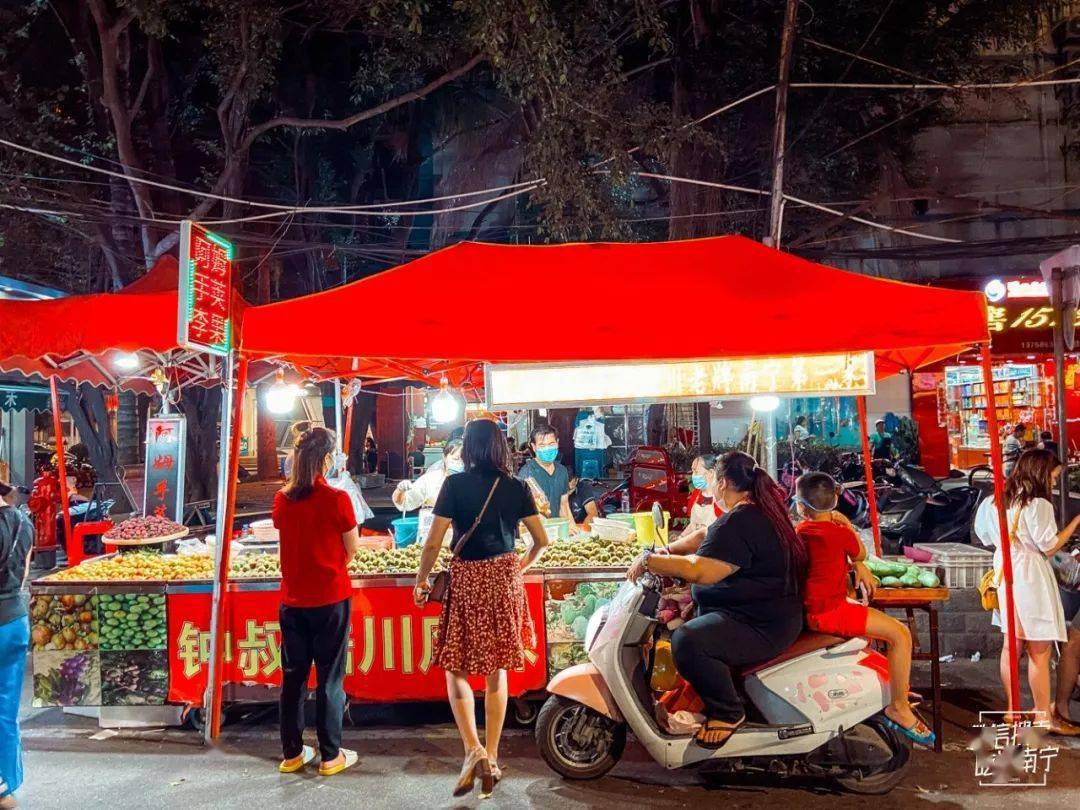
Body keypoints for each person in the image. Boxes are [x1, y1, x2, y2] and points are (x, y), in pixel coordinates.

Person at [628, 451, 806, 749]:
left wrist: (650, 562)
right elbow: (701, 537)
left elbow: (700, 571)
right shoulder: (754, 511)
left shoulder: (743, 521)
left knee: (687, 641)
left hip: (762, 625)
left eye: (710, 479)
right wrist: (665, 552)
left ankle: (728, 712)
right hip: (762, 615)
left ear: (722, 482)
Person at [413, 419, 549, 798]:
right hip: (504, 578)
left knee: (455, 665)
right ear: (501, 449)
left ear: (468, 449)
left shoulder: (454, 485)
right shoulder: (516, 487)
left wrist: (421, 580)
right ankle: (490, 755)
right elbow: (541, 540)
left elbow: (433, 542)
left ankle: (472, 750)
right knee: (496, 670)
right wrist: (516, 568)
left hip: (468, 579)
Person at [794, 472, 932, 746]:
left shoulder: (800, 532)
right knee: (900, 635)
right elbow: (860, 554)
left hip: (819, 607)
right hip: (830, 612)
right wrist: (844, 522)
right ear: (835, 500)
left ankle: (895, 688)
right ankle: (899, 707)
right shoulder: (839, 532)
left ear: (800, 506)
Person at [272, 427, 361, 776]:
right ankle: (329, 755)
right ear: (326, 459)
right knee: (329, 679)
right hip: (330, 600)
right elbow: (351, 549)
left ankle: (292, 753)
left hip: (292, 601)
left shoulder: (282, 499)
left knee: (293, 678)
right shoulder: (337, 499)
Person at [974, 448, 1080, 734]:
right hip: (1031, 576)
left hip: (1005, 569)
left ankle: (1012, 710)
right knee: (1039, 649)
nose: (1055, 484)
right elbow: (1049, 545)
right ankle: (1043, 715)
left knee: (1012, 645)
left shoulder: (995, 500)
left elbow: (983, 535)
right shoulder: (1038, 505)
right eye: (1054, 477)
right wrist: (1075, 523)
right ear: (1041, 473)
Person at [0, 482, 32, 809]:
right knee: (6, 708)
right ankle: (5, 785)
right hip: (14, 621)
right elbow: (23, 574)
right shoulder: (24, 522)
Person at [393, 440, 463, 512]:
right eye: (456, 459)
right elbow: (404, 503)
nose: (460, 463)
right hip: (432, 521)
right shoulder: (431, 480)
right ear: (444, 457)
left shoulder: (471, 482)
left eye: (465, 460)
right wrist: (400, 490)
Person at [518, 424, 571, 519]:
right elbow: (524, 512)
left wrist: (571, 527)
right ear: (534, 447)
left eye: (551, 444)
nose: (547, 449)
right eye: (542, 445)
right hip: (537, 530)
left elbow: (564, 505)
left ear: (557, 443)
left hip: (558, 529)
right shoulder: (527, 473)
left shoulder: (562, 471)